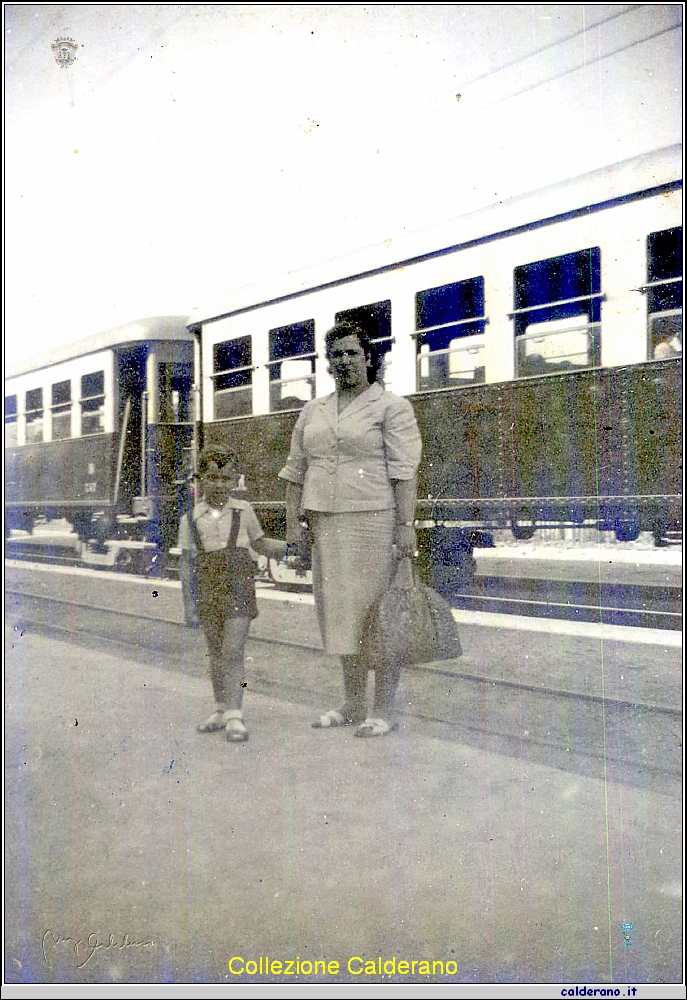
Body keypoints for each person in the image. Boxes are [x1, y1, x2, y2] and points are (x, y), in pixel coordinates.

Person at [279, 321, 422, 737]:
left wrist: (405, 526)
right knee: (341, 617)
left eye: (351, 353)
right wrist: (295, 526)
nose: (343, 361)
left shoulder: (391, 406)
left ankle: (384, 708)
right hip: (326, 521)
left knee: (380, 618)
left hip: (374, 522)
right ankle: (352, 704)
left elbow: (404, 471)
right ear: (327, 363)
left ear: (368, 358)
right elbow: (295, 471)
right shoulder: (314, 410)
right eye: (336, 355)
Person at [179, 448, 287, 743]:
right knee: (215, 652)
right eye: (212, 478)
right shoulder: (190, 518)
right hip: (207, 589)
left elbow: (261, 544)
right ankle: (220, 708)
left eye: (226, 479)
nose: (219, 485)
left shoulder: (243, 511)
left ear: (234, 481)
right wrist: (188, 605)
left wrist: (291, 549)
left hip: (238, 587)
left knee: (232, 651)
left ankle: (235, 715)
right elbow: (187, 564)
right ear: (199, 479)